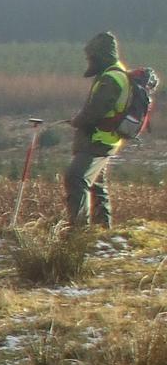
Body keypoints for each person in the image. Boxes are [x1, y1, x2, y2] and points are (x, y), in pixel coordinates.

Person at [64, 31, 131, 229]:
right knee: (96, 184)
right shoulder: (114, 73)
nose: (89, 61)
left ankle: (79, 233)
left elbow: (95, 112)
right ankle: (103, 230)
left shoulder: (111, 78)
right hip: (103, 139)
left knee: (76, 178)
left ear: (100, 56)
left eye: (91, 57)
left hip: (99, 140)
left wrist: (77, 120)